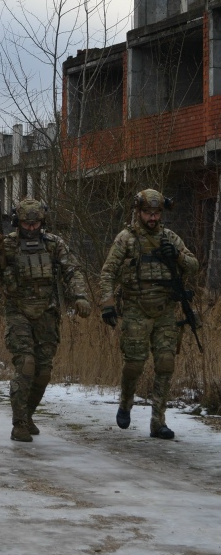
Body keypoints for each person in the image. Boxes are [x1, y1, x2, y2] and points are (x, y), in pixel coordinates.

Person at [0, 197, 91, 443]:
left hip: (47, 313)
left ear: (42, 222)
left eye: (36, 224)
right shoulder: (7, 245)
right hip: (18, 311)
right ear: (17, 222)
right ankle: (18, 423)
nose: (31, 228)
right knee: (26, 365)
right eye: (26, 224)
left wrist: (80, 296)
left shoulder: (54, 245)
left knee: (43, 372)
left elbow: (72, 270)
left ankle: (28, 414)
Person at [99, 188, 199, 440]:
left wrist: (176, 255)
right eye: (147, 213)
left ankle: (158, 422)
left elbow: (194, 265)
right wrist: (108, 304)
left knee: (165, 364)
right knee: (134, 364)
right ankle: (125, 402)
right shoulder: (126, 239)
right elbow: (108, 272)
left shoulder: (170, 238)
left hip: (165, 310)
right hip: (136, 309)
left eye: (156, 213)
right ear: (138, 212)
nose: (152, 218)